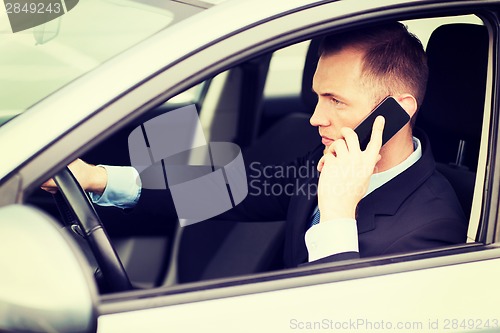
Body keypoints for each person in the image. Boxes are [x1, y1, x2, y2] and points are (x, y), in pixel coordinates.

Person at [42, 22, 467, 268]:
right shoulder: (326, 162)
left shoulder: (430, 229)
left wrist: (337, 216)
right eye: (318, 96)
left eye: (336, 100)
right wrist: (98, 179)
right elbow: (224, 191)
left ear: (398, 110)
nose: (316, 118)